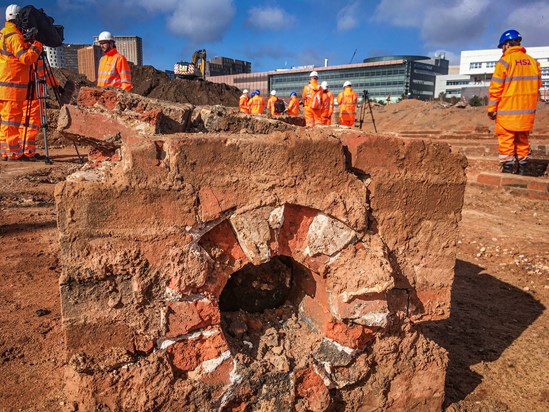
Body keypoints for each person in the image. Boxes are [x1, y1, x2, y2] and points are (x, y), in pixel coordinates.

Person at [488, 29, 541, 175]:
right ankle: (523, 169)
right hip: (527, 111)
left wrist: (492, 108)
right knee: (522, 140)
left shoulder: (504, 62)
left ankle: (508, 169)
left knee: (506, 140)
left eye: (502, 47)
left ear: (506, 45)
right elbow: (537, 85)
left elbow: (496, 87)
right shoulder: (533, 62)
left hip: (507, 111)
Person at [0, 4, 43, 161]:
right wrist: (37, 45)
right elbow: (26, 59)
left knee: (5, 120)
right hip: (13, 86)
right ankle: (13, 152)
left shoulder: (3, 33)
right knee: (11, 120)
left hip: (5, 85)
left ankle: (6, 151)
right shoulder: (13, 36)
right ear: (18, 18)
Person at [20, 58, 60, 160]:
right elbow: (47, 75)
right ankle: (27, 151)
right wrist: (57, 86)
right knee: (31, 125)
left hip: (21, 96)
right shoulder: (35, 60)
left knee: (23, 124)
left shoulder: (19, 58)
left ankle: (25, 150)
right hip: (32, 97)